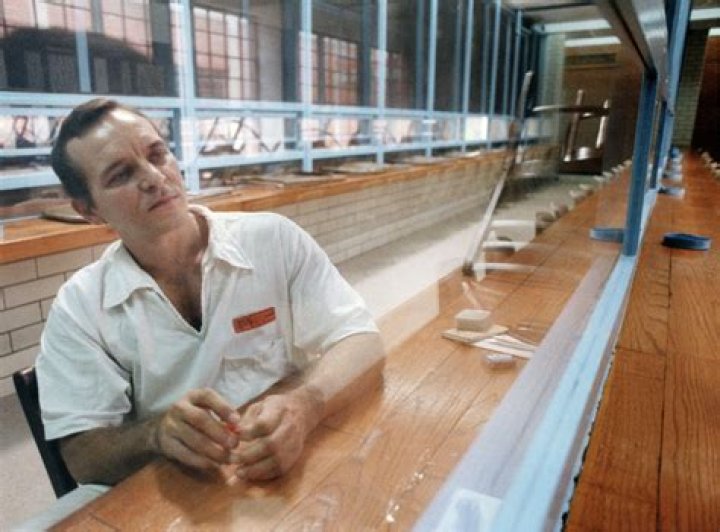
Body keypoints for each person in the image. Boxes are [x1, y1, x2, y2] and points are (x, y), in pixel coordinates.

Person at [36, 98, 385, 489]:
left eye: (157, 154)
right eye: (121, 174)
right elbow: (82, 457)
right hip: (185, 489)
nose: (154, 177)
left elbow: (362, 340)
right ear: (89, 211)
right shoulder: (81, 307)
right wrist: (155, 435)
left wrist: (306, 405)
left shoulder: (272, 240)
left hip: (291, 461)